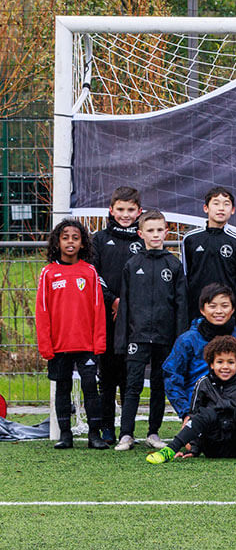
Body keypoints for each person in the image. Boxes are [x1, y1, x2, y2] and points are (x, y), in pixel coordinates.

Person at [115, 209, 187, 451]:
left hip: (165, 337)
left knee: (159, 385)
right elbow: (125, 305)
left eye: (159, 230)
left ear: (166, 232)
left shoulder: (174, 264)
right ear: (141, 234)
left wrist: (179, 339)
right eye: (150, 230)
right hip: (138, 336)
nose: (155, 235)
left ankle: (153, 433)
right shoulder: (132, 264)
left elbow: (181, 305)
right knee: (132, 385)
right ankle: (126, 434)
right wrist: (122, 339)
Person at [36, 218, 106, 449]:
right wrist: (45, 345)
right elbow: (42, 311)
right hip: (59, 345)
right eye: (65, 237)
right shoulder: (48, 273)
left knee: (90, 387)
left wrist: (99, 342)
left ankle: (94, 434)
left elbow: (98, 309)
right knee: (62, 388)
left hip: (86, 344)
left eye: (75, 238)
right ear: (57, 242)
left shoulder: (89, 271)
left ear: (82, 243)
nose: (70, 242)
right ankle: (65, 435)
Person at [146, 336, 236, 464]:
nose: (225, 367)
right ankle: (170, 450)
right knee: (207, 413)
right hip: (212, 446)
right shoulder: (203, 384)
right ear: (211, 364)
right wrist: (194, 449)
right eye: (220, 362)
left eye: (231, 362)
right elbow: (194, 416)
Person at [92, 186, 143, 444]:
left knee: (129, 374)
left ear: (139, 211)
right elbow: (93, 275)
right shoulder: (99, 239)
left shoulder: (143, 240)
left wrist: (128, 305)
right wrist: (113, 301)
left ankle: (127, 430)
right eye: (120, 209)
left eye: (130, 209)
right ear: (111, 210)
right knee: (107, 373)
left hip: (134, 319)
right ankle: (107, 428)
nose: (125, 214)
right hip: (107, 316)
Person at [164, 282, 236, 422]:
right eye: (212, 306)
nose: (219, 311)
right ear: (202, 310)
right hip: (199, 409)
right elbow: (172, 376)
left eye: (225, 306)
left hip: (234, 408)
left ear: (233, 309)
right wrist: (186, 412)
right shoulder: (188, 340)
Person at [181, 186, 236, 324]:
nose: (221, 208)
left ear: (233, 210)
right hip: (196, 310)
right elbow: (185, 276)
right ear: (206, 208)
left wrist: (231, 304)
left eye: (226, 204)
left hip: (226, 312)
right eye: (216, 203)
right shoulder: (190, 239)